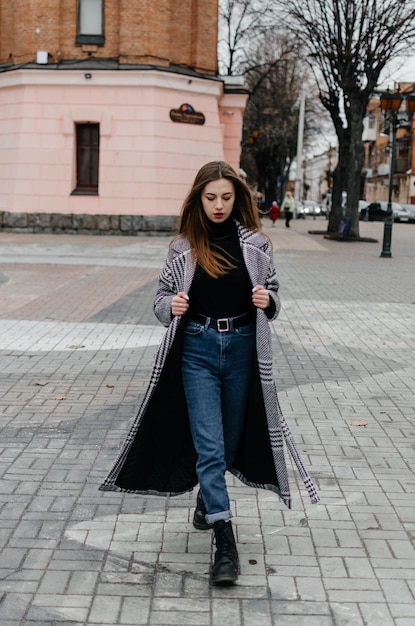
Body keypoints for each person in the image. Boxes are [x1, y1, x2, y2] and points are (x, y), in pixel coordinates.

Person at [99, 161, 319, 586]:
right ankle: (225, 539)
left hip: (241, 351)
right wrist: (170, 308)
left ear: (237, 198)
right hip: (196, 351)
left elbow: (273, 292)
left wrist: (267, 300)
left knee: (231, 439)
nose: (218, 205)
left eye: (226, 196)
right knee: (211, 447)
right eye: (210, 197)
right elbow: (161, 297)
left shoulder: (256, 245)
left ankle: (207, 497)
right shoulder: (183, 247)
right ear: (198, 199)